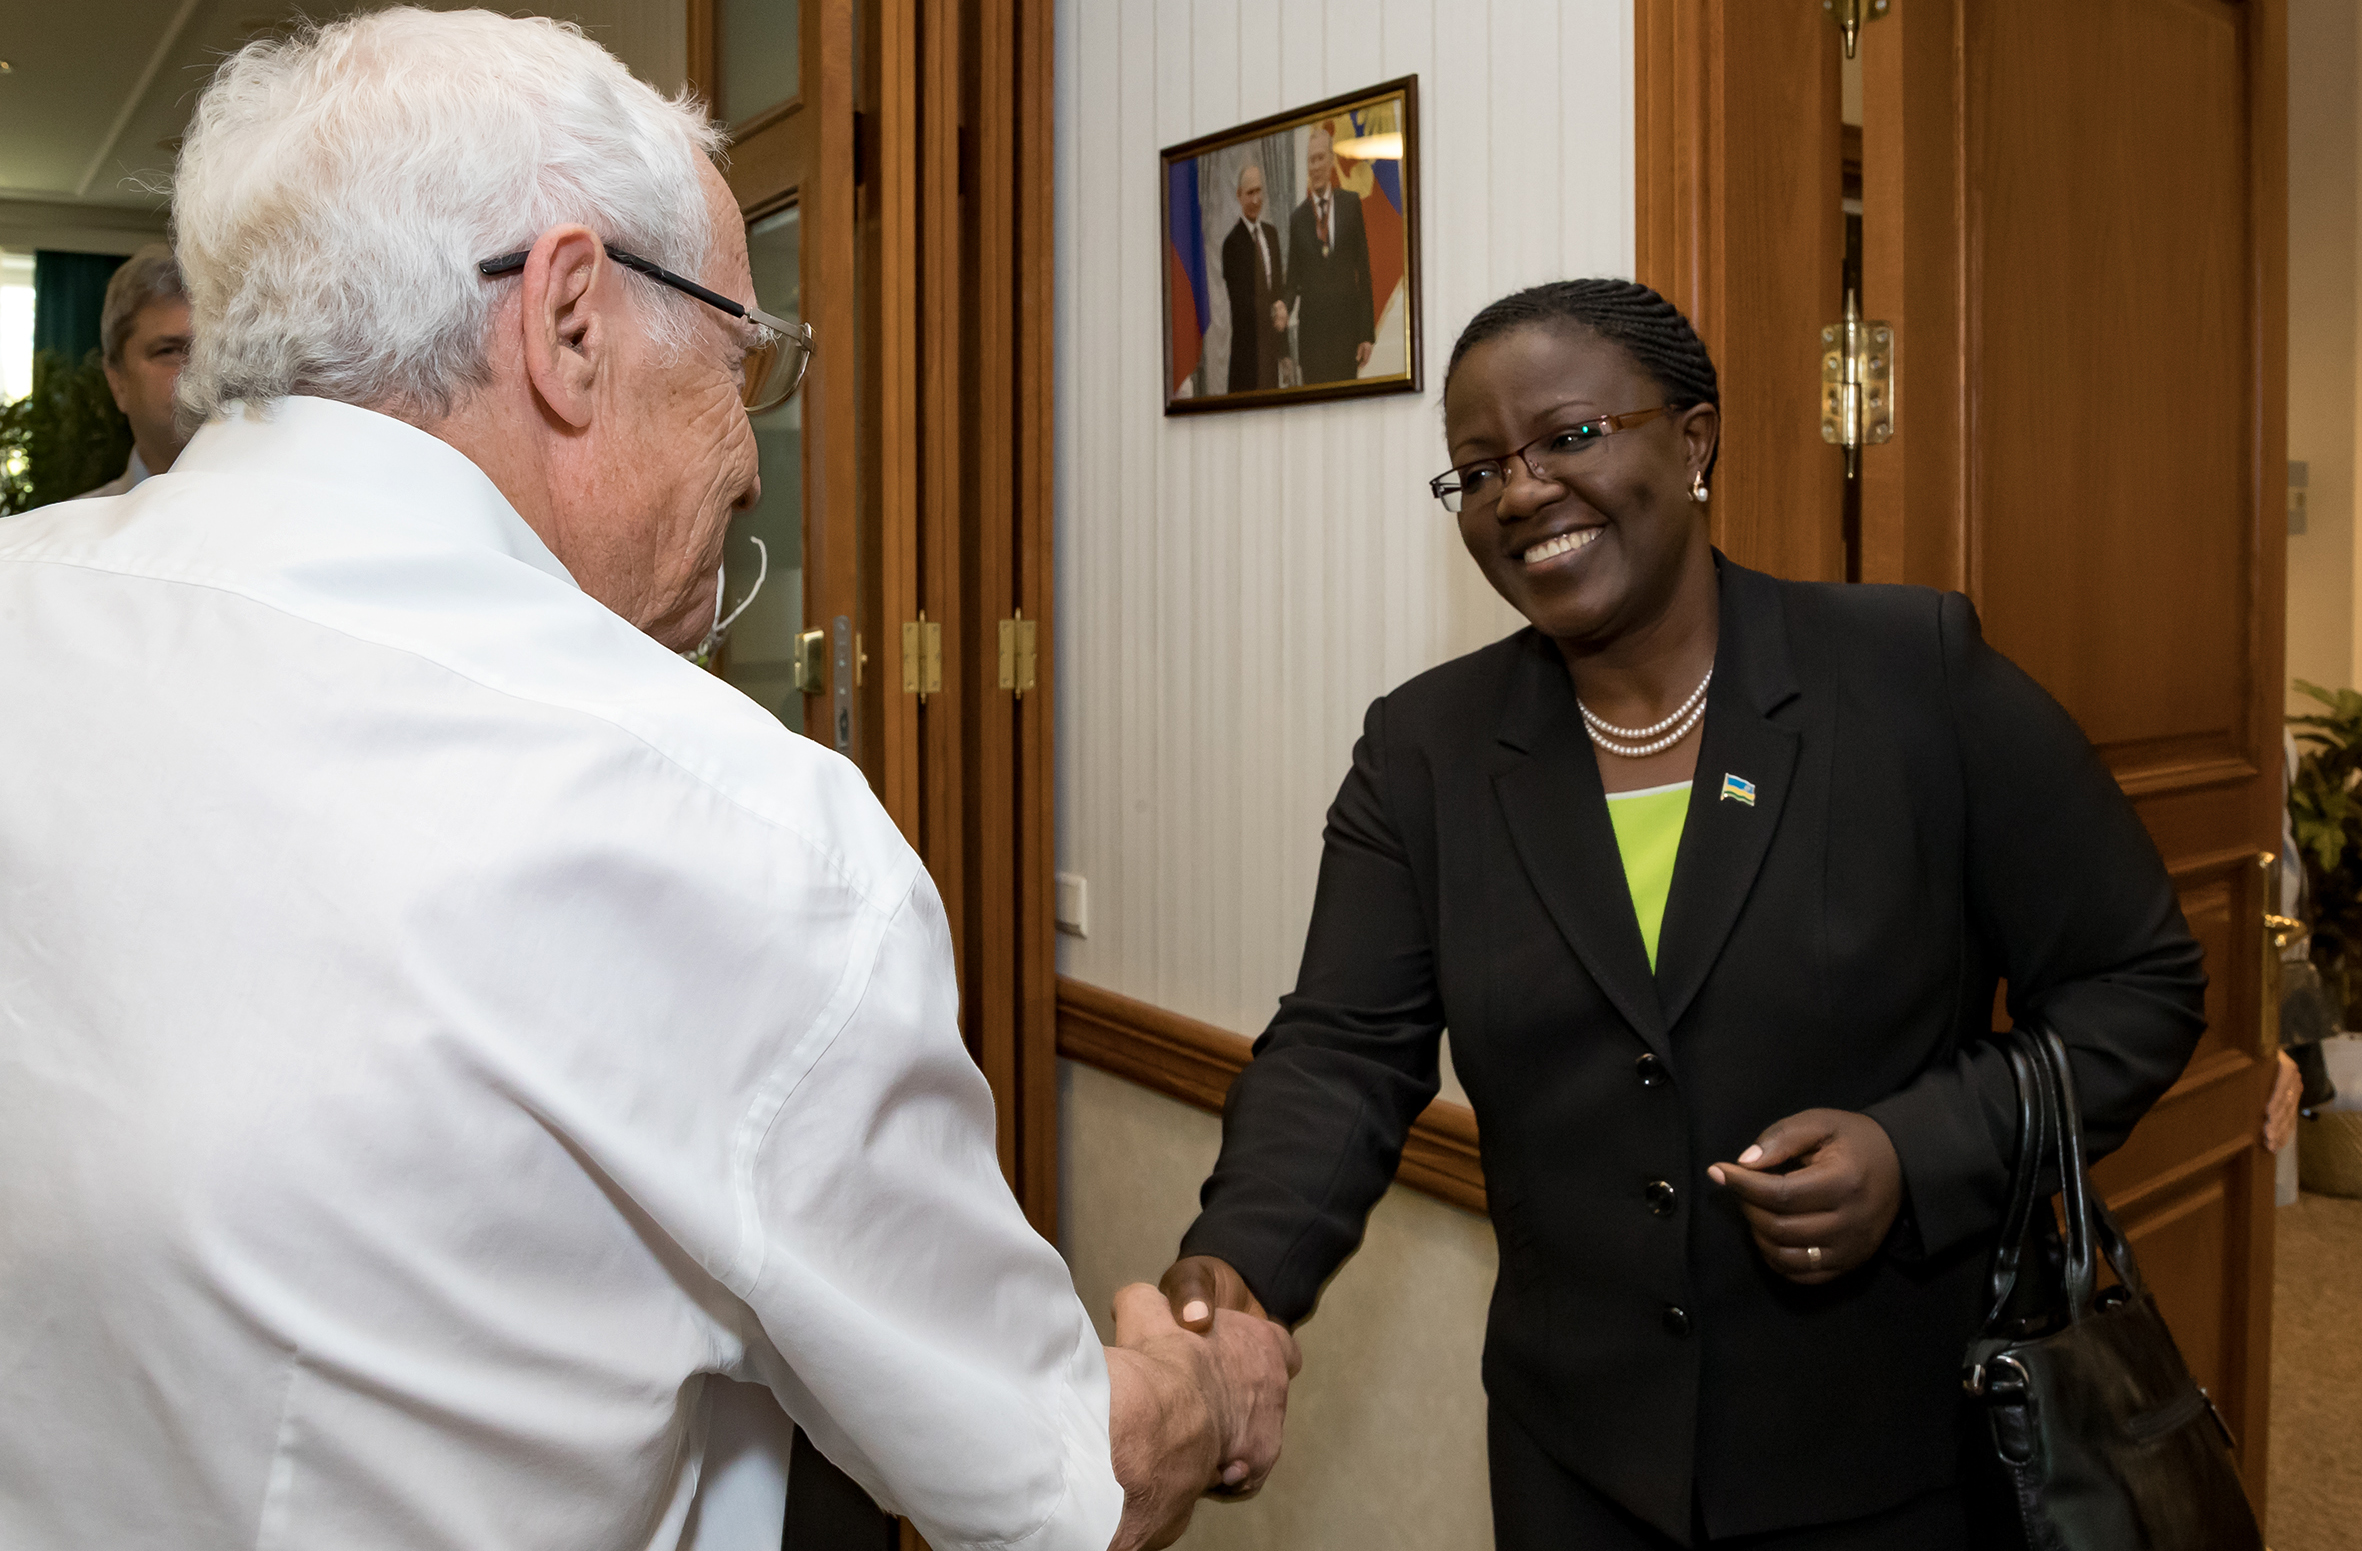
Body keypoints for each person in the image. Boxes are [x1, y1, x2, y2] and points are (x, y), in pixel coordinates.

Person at [0, 12, 1294, 1551]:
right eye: (743, 355)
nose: (749, 455)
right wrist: (1197, 1384)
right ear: (568, 321)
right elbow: (1058, 1489)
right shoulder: (727, 830)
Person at [1158, 278, 2208, 1548]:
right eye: (1478, 471)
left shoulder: (1911, 677)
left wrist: (1915, 1151)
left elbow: (2136, 983)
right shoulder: (1425, 752)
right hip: (1579, 1467)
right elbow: (1342, 1049)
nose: (1520, 492)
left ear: (1694, 440)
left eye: (1569, 437)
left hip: (1892, 1461)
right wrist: (1239, 1268)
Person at [73, 243, 191, 499]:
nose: (201, 371)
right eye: (170, 351)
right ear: (117, 381)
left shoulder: (281, 518)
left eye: (217, 352)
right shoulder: (70, 523)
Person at [1281, 126, 1373, 385]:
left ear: (1331, 160)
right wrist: (1284, 307)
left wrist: (1366, 334)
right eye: (1311, 160)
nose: (1315, 166)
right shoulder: (1298, 218)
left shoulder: (1351, 204)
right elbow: (1293, 280)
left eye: (1321, 158)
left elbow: (1364, 271)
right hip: (1313, 343)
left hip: (1347, 336)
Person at [1220, 161, 1287, 393]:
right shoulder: (1231, 245)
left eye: (1259, 191)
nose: (1256, 199)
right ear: (1239, 195)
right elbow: (1241, 304)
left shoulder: (1271, 234)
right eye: (1250, 193)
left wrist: (1285, 351)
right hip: (1247, 356)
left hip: (1271, 353)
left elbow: (1278, 292)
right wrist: (1274, 312)